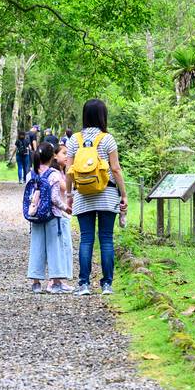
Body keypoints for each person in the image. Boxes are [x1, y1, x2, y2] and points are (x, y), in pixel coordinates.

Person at [66, 99, 128, 296]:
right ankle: (107, 285)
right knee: (107, 240)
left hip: (83, 195)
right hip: (107, 194)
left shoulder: (74, 140)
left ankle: (84, 284)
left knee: (86, 239)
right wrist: (124, 194)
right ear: (103, 115)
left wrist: (69, 194)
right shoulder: (107, 139)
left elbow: (69, 170)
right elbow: (116, 169)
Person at [27, 142, 74, 294]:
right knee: (55, 248)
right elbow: (54, 198)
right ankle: (56, 282)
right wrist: (65, 207)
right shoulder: (53, 174)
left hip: (36, 215)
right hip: (53, 215)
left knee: (37, 246)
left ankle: (36, 282)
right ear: (51, 156)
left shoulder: (31, 173)